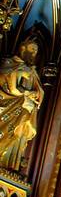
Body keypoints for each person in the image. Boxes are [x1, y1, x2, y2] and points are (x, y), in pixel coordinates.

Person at [0, 39, 43, 172]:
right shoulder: (11, 64)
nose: (33, 53)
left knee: (17, 136)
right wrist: (28, 93)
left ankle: (10, 163)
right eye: (32, 49)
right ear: (23, 49)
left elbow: (39, 90)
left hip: (24, 108)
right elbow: (12, 89)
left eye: (35, 51)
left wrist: (36, 95)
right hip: (9, 104)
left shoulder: (31, 70)